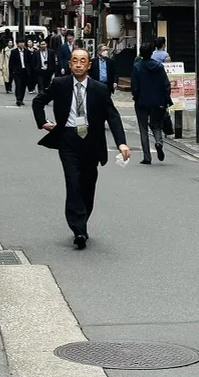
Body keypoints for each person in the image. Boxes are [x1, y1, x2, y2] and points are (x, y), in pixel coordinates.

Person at [32, 48, 130, 248]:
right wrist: (43, 122)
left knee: (87, 184)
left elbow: (113, 116)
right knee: (73, 182)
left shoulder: (99, 89)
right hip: (68, 139)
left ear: (89, 65)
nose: (78, 64)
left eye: (82, 61)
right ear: (69, 64)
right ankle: (79, 230)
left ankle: (82, 219)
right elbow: (38, 102)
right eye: (74, 61)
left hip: (92, 141)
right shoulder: (60, 84)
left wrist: (121, 142)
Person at [131, 42, 172, 165]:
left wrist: (136, 97)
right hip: (158, 101)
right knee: (156, 125)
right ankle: (159, 142)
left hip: (142, 102)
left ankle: (147, 157)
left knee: (143, 129)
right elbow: (166, 85)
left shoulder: (137, 67)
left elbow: (134, 87)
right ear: (151, 52)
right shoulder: (159, 67)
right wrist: (166, 100)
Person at [9, 37, 32, 106]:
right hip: (17, 71)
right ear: (17, 44)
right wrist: (12, 72)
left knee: (23, 86)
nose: (22, 44)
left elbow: (30, 62)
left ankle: (21, 99)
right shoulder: (14, 52)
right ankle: (18, 99)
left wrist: (30, 71)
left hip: (25, 71)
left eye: (23, 42)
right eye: (20, 43)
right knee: (18, 85)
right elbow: (11, 63)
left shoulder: (27, 52)